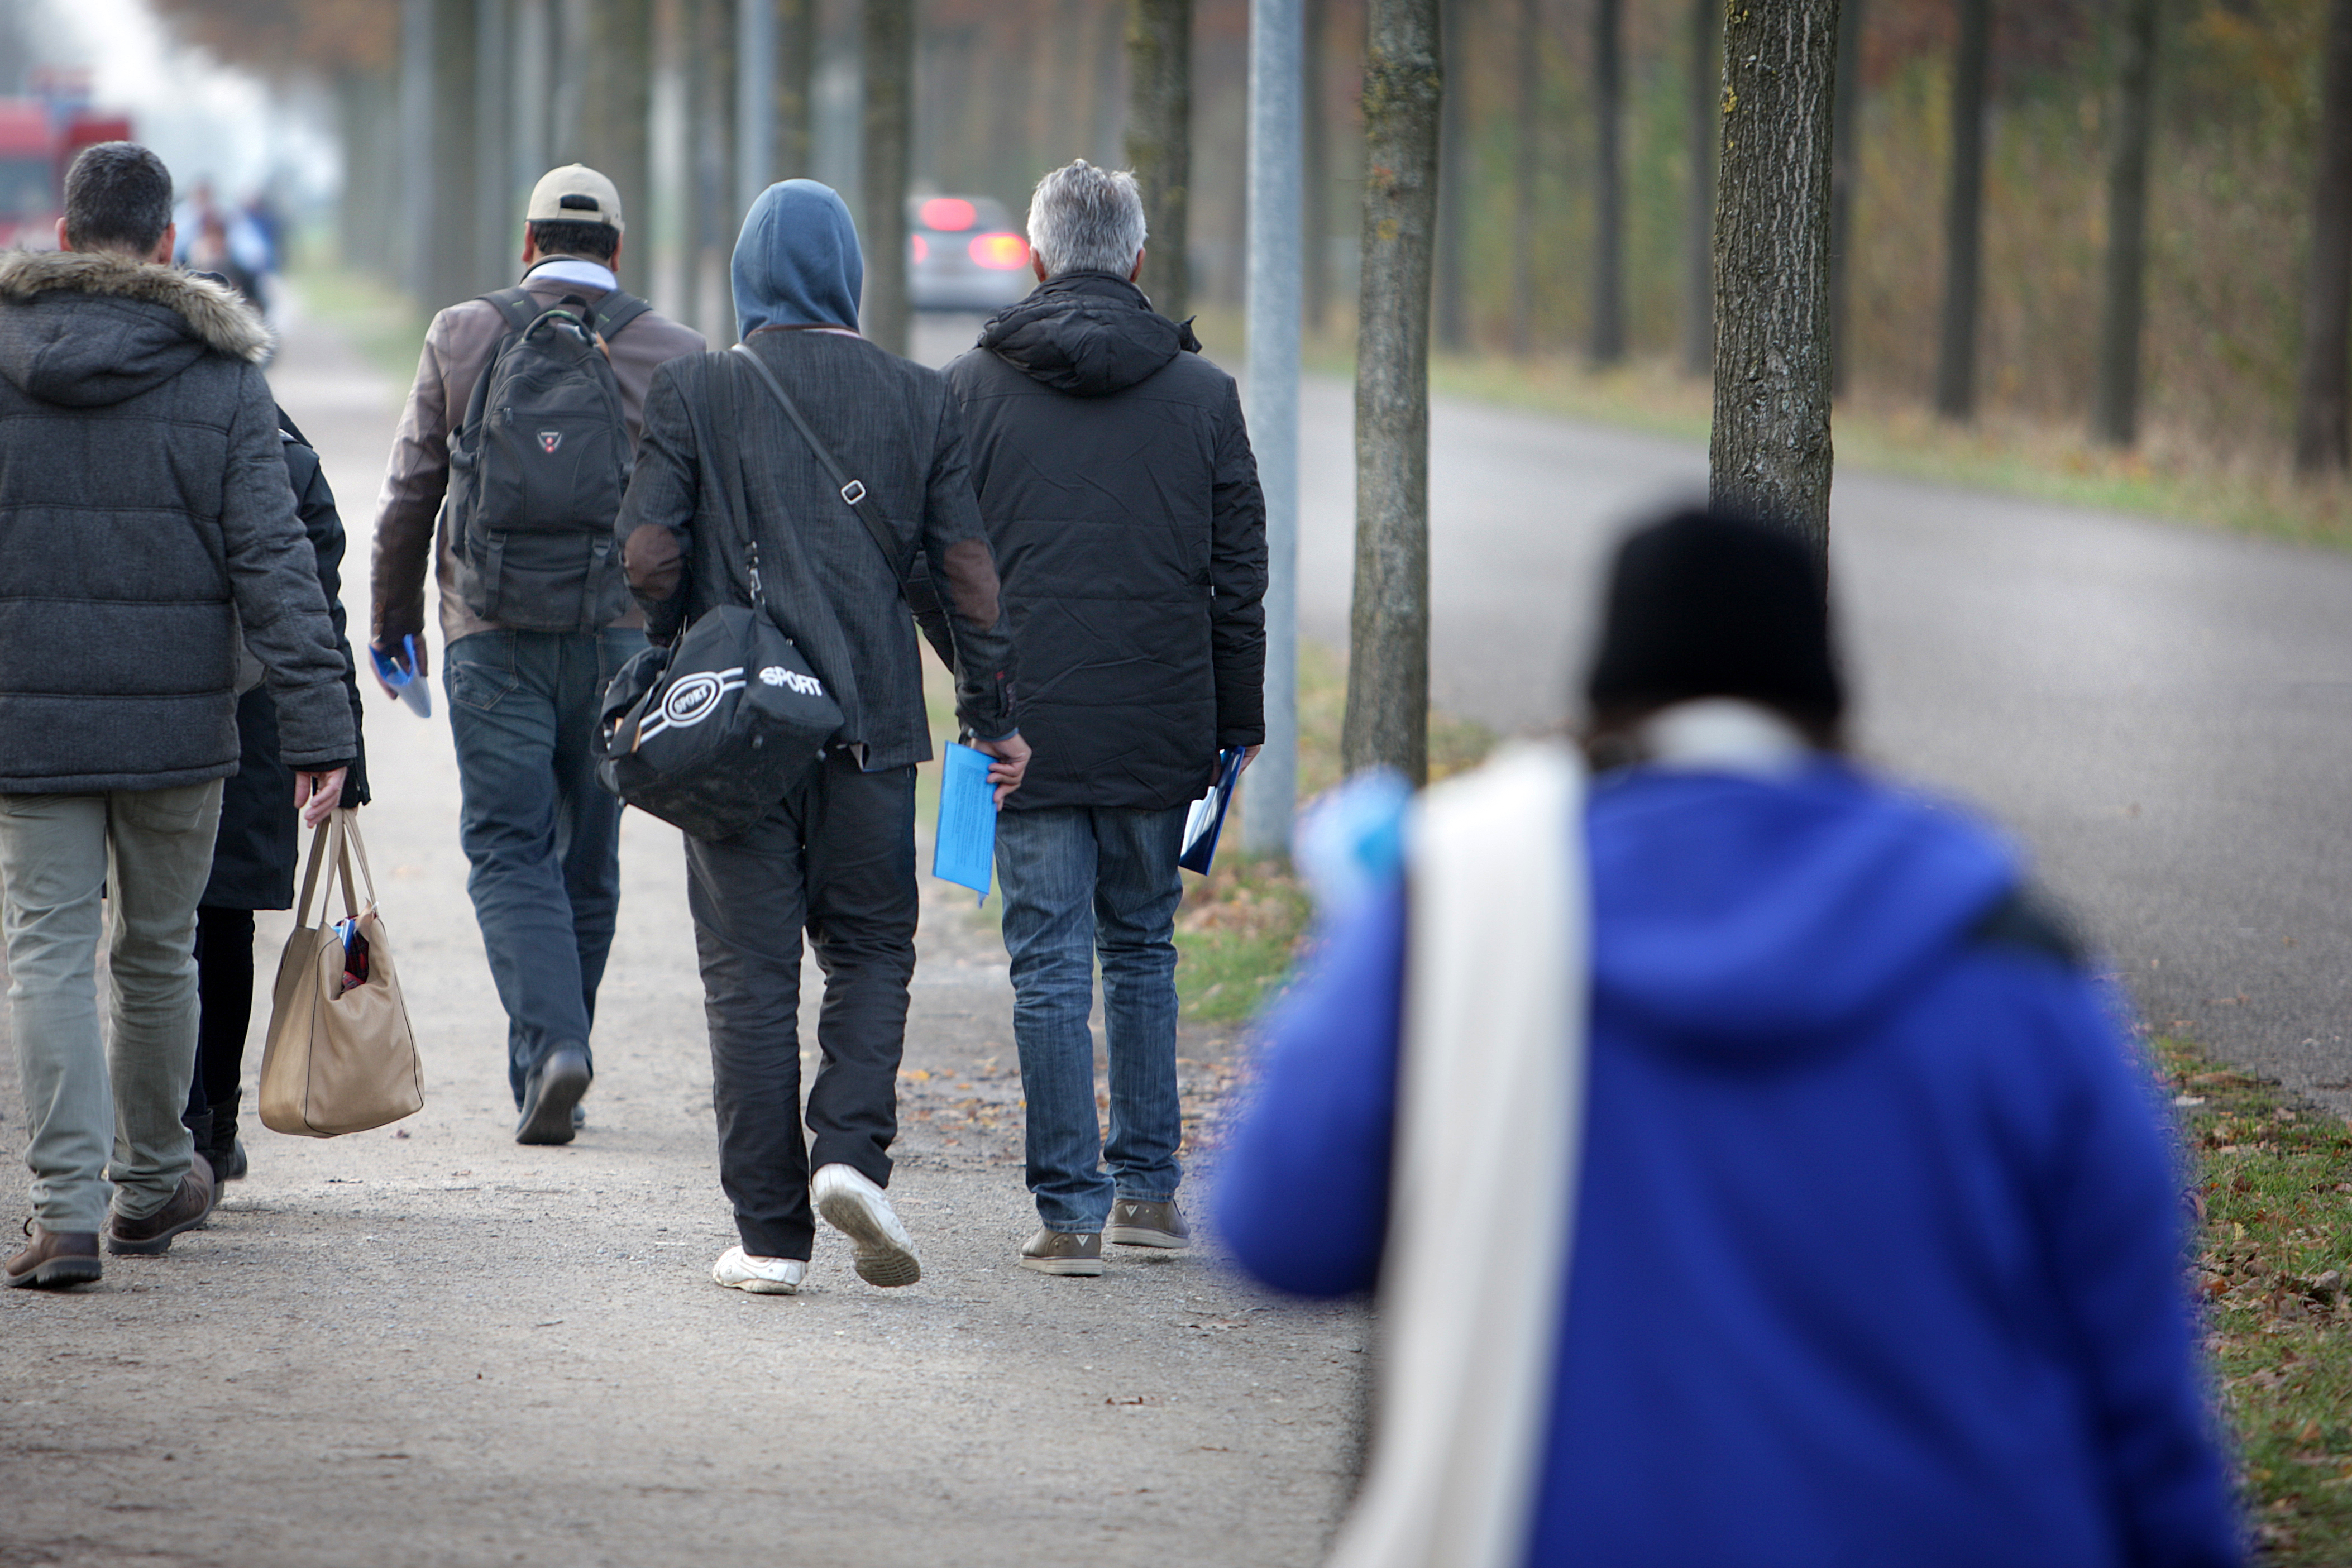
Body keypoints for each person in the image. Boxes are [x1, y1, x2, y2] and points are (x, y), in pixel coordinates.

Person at [1217, 510, 2243, 1567]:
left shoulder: (1465, 904)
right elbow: (2144, 1398)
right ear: (1830, 697)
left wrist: (1358, 955)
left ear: (1602, 699)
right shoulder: (2009, 951)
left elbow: (1278, 1229)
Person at [616, 179, 1026, 1297]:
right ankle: (851, 1153)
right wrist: (993, 716)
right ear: (850, 277)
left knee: (747, 980)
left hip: (739, 743)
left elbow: (650, 553)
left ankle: (769, 1236)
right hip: (872, 734)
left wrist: (673, 642)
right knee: (871, 951)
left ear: (751, 279)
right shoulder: (920, 398)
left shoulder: (698, 388)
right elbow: (969, 582)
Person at [0, 142, 354, 1289]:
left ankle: (61, 1217)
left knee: (47, 952)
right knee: (156, 956)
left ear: (62, 236)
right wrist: (321, 729)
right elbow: (277, 563)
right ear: (166, 244)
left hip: (30, 723)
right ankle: (152, 1184)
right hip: (178, 733)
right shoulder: (221, 378)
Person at [943, 160, 1267, 1278]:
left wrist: (983, 699)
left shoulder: (968, 390)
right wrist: (1239, 721)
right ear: (1136, 260)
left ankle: (1067, 1213)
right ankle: (1151, 1198)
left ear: (1034, 259)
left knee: (1045, 965)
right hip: (1159, 721)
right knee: (1142, 950)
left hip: (1020, 733)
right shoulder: (1206, 397)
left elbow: (929, 568)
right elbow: (1240, 575)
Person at [370, 164, 704, 1145]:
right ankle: (560, 1058)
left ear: (527, 244)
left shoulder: (462, 333)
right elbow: (702, 518)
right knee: (589, 860)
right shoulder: (673, 352)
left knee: (509, 847)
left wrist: (396, 622)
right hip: (619, 643)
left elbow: (409, 491)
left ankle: (551, 1050)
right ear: (617, 250)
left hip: (492, 636)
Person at [185, 408, 372, 1186]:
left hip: (120, 712)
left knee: (144, 928)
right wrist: (339, 746)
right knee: (222, 921)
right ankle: (211, 1128)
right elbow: (314, 614)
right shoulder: (284, 460)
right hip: (252, 722)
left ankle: (169, 1125)